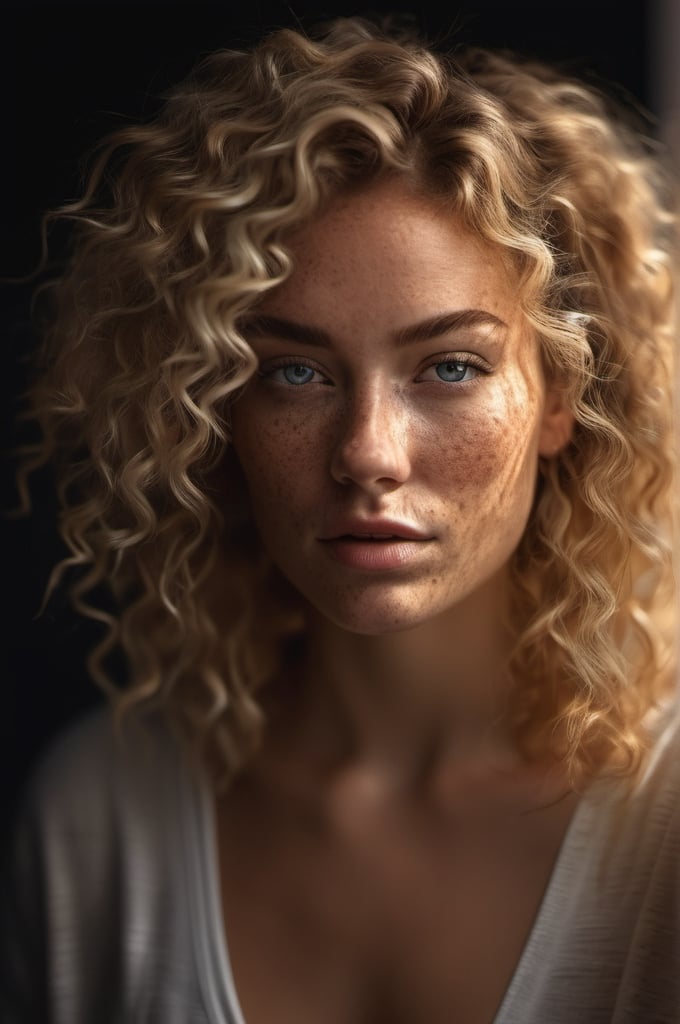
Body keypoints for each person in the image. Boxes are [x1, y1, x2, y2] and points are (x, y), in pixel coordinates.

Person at [2, 13, 679, 1024]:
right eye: (295, 371)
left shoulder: (660, 827)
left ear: (556, 398)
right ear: (212, 404)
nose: (366, 451)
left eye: (449, 366)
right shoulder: (101, 822)